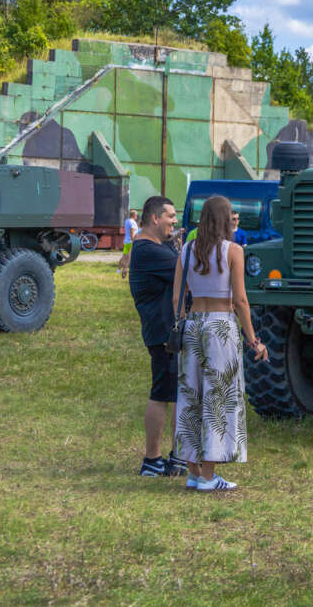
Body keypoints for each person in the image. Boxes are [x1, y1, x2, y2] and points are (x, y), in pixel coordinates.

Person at [173, 195, 267, 492]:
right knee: (217, 395)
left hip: (193, 325)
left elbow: (177, 298)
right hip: (221, 325)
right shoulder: (233, 251)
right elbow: (239, 300)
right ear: (226, 220)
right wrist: (253, 339)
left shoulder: (186, 251)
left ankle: (193, 471)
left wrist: (187, 318)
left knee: (191, 395)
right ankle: (209, 475)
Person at [128, 196, 187, 477]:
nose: (174, 222)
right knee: (164, 393)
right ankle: (154, 459)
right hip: (164, 333)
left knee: (172, 393)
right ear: (155, 218)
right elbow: (186, 269)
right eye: (171, 216)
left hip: (163, 331)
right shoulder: (149, 251)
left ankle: (174, 457)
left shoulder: (152, 248)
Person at [119, 209, 139, 279]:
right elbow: (132, 233)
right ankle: (125, 271)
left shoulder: (126, 221)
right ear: (134, 215)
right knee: (129, 258)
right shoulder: (133, 222)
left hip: (126, 241)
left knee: (124, 256)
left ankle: (118, 270)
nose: (137, 216)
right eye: (136, 215)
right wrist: (134, 241)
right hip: (131, 242)